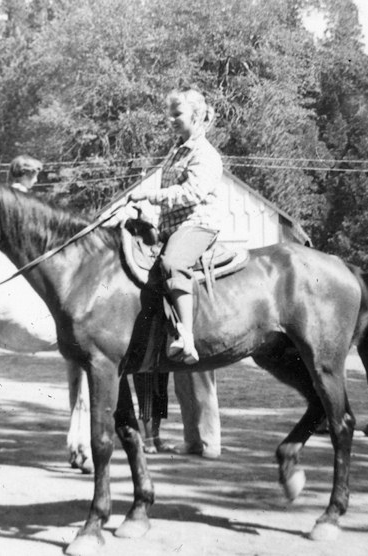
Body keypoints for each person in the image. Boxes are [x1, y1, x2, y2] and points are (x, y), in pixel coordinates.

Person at [129, 87, 222, 458]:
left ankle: (185, 334)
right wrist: (146, 216)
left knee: (171, 263)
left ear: (197, 116)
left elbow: (193, 193)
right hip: (173, 229)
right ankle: (152, 432)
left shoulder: (205, 154)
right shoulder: (175, 152)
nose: (171, 120)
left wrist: (151, 198)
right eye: (169, 114)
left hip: (199, 226)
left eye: (177, 114)